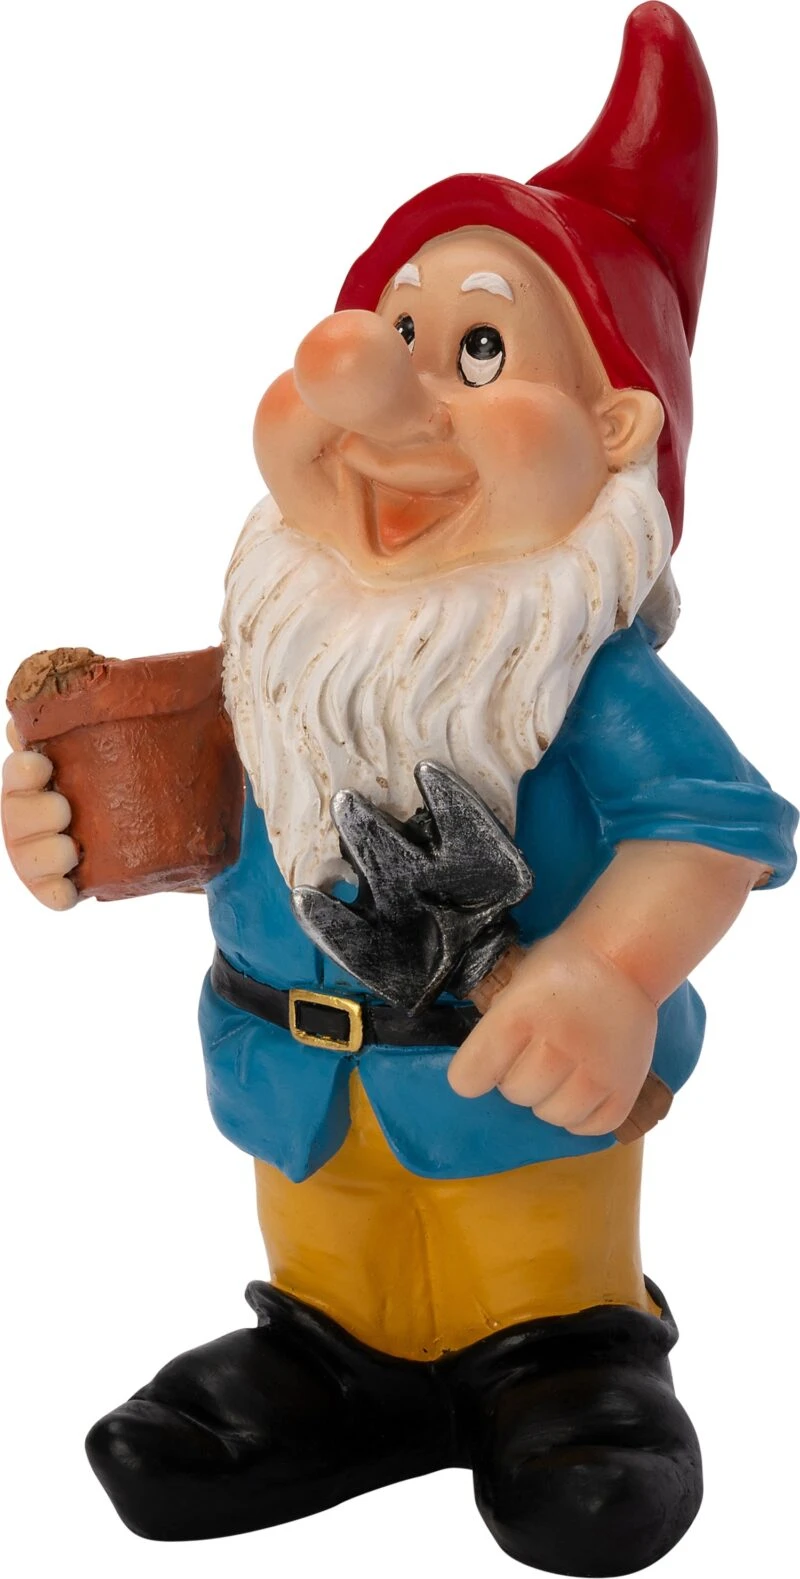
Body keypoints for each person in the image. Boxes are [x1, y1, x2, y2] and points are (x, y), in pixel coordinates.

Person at [2, 6, 796, 1575]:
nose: (378, 392)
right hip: (290, 1079)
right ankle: (335, 1362)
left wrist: (604, 966)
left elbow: (711, 828)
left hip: (506, 1084)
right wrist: (71, 825)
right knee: (334, 1253)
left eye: (477, 350)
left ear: (615, 430)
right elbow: (209, 812)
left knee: (527, 1257)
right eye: (389, 327)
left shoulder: (575, 677)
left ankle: (562, 1364)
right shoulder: (282, 652)